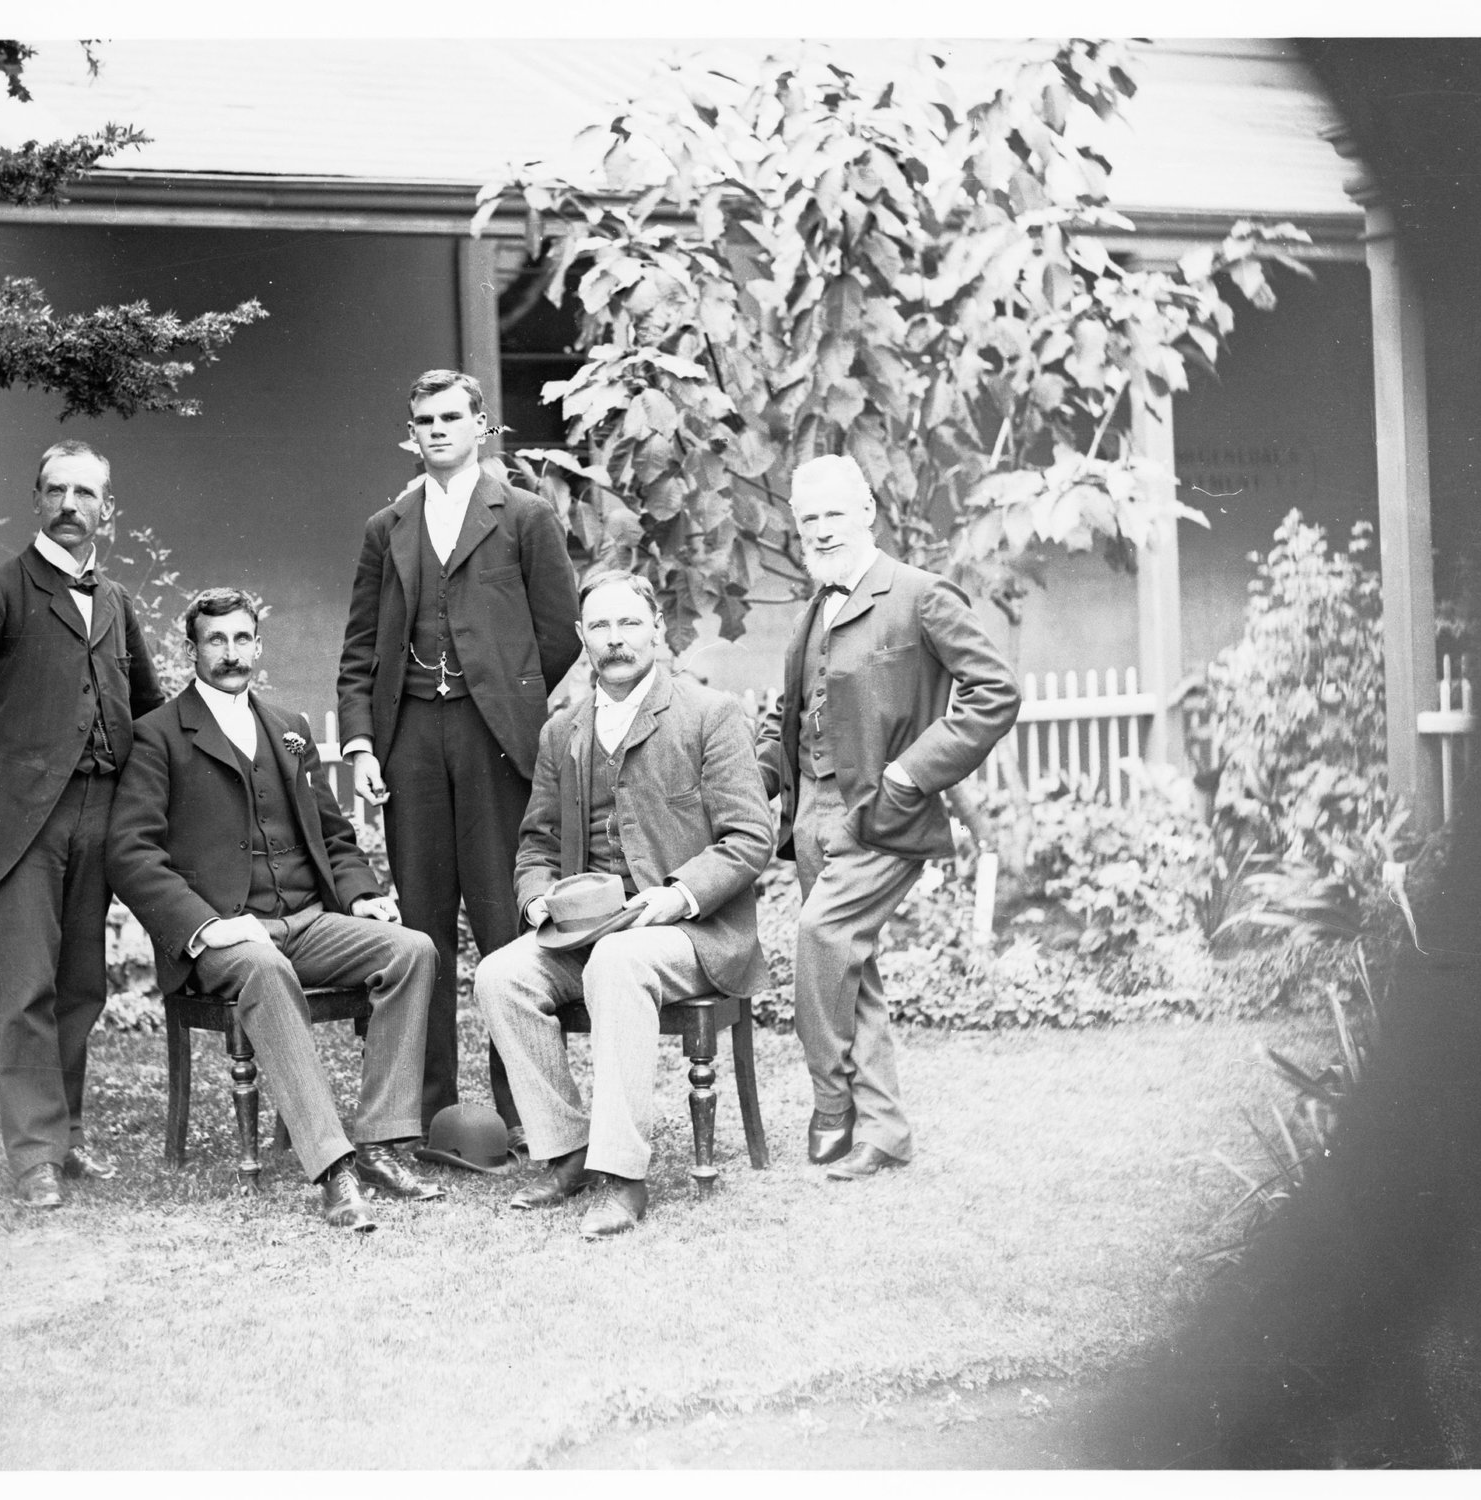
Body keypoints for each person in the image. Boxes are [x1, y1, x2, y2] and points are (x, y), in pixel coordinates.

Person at [107, 588, 445, 1232]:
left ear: (258, 647)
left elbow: (333, 832)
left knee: (412, 950)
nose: (230, 653)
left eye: (242, 639)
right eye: (216, 640)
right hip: (226, 933)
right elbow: (130, 853)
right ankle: (333, 1168)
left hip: (306, 919)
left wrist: (364, 895)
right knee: (264, 969)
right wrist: (203, 925)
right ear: (191, 651)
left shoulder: (288, 726)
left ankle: (377, 1142)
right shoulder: (157, 736)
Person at [473, 570, 774, 1237]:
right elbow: (537, 844)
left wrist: (679, 894)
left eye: (629, 623)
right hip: (594, 926)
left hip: (694, 931)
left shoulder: (708, 714)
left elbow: (751, 837)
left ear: (656, 629)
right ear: (582, 639)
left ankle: (622, 1176)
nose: (616, 640)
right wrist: (538, 901)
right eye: (601, 627)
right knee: (501, 975)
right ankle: (567, 1147)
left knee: (616, 962)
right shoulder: (564, 732)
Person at [0, 439, 164, 1208]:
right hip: (24, 825)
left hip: (101, 815)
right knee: (28, 991)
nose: (70, 506)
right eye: (56, 490)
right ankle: (33, 1157)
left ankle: (70, 1136)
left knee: (81, 984)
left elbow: (149, 711)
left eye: (86, 494)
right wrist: (5, 775)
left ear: (107, 511)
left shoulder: (117, 604)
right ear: (37, 500)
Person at [757, 455, 1020, 1180]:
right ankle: (885, 1130)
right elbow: (790, 710)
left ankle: (831, 1104)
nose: (820, 530)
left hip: (879, 813)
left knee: (820, 937)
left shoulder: (919, 595)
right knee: (851, 970)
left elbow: (994, 692)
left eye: (833, 514)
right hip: (811, 814)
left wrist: (911, 772)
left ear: (867, 513)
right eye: (807, 519)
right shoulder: (814, 608)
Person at [335, 369, 581, 1143]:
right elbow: (359, 651)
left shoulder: (526, 516)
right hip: (409, 736)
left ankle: (524, 1112)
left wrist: (503, 691)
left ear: (482, 425)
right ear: (411, 433)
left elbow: (560, 631)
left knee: (507, 920)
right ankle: (431, 1111)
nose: (437, 429)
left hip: (494, 740)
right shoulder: (389, 525)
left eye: (451, 416)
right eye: (423, 420)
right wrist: (362, 743)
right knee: (424, 923)